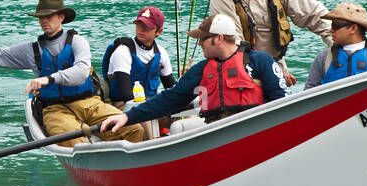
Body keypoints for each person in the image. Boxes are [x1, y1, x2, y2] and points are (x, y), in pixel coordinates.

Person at [0, 0, 144, 147]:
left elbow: (80, 72)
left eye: (49, 16)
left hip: (89, 103)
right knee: (75, 142)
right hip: (55, 110)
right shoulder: (30, 50)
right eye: (41, 17)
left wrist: (47, 80)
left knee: (134, 129)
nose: (44, 20)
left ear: (61, 18)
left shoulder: (79, 42)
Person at [101, 13, 287, 135]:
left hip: (256, 132)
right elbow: (169, 99)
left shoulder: (260, 62)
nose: (200, 44)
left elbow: (283, 102)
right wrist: (127, 116)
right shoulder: (201, 70)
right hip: (218, 134)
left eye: (203, 39)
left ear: (219, 38)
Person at [206, 0, 332, 87]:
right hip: (242, 72)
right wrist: (273, 73)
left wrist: (337, 45)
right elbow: (233, 46)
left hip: (276, 66)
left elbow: (314, 14)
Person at [304, 2, 367, 89]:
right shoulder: (323, 58)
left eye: (336, 25)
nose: (331, 30)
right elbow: (308, 93)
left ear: (353, 28)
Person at [102, 5, 177, 106]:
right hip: (123, 104)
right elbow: (127, 95)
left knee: (187, 113)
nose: (141, 29)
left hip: (150, 103)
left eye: (147, 26)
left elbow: (170, 86)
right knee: (148, 120)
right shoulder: (123, 51)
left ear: (159, 31)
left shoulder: (161, 53)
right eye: (138, 24)